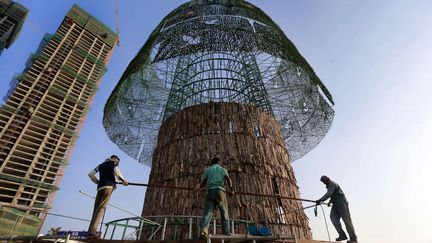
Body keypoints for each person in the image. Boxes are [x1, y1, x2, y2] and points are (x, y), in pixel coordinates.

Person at [87, 155, 128, 237]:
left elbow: (91, 174)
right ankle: (93, 232)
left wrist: (97, 182)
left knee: (96, 209)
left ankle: (90, 231)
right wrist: (123, 180)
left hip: (100, 188)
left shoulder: (101, 165)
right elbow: (117, 172)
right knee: (101, 208)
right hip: (109, 187)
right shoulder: (114, 163)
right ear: (115, 159)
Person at [195, 157, 234, 238]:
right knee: (224, 212)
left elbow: (203, 182)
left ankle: (204, 230)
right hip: (220, 191)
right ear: (219, 163)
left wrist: (198, 188)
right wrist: (231, 190)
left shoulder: (208, 170)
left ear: (212, 163)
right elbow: (229, 180)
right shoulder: (222, 169)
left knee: (207, 213)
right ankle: (226, 232)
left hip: (210, 192)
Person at [316, 175, 358, 243]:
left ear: (327, 179)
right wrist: (330, 202)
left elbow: (329, 193)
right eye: (323, 182)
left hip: (342, 202)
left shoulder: (332, 184)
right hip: (335, 204)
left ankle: (353, 238)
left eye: (324, 181)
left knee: (347, 220)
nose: (324, 183)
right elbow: (332, 195)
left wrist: (321, 200)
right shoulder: (329, 186)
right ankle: (342, 235)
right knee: (333, 218)